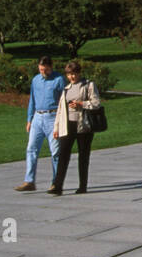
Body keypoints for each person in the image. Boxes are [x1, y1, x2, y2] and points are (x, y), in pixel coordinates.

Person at [50, 60, 102, 196]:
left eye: (74, 74)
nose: (71, 77)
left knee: (83, 155)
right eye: (69, 74)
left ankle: (82, 186)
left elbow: (96, 103)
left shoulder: (88, 85)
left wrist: (81, 104)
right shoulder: (66, 89)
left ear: (79, 73)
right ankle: (57, 186)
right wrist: (56, 128)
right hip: (68, 125)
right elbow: (60, 109)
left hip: (83, 125)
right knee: (63, 155)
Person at [18, 56, 65, 191]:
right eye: (41, 69)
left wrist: (61, 121)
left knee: (55, 152)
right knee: (31, 149)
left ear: (51, 67)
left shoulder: (59, 80)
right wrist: (29, 119)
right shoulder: (35, 80)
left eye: (46, 70)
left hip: (53, 117)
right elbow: (32, 100)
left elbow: (64, 101)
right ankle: (29, 181)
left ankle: (56, 183)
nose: (43, 72)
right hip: (37, 118)